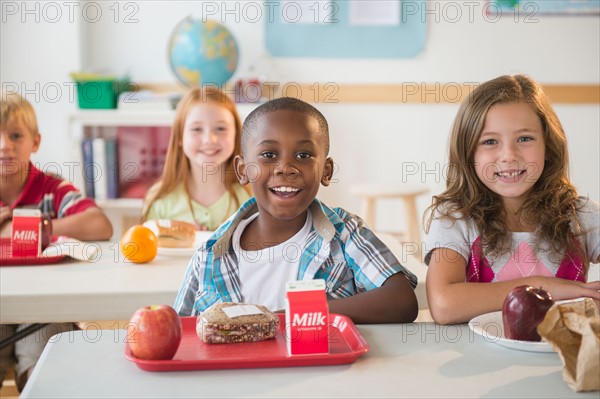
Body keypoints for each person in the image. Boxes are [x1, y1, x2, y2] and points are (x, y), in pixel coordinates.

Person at [175, 97, 418, 324]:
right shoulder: (209, 256)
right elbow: (181, 335)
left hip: (327, 371)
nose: (286, 168)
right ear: (242, 170)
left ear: (326, 171)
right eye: (269, 155)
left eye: (304, 155)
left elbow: (401, 301)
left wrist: (284, 318)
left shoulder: (345, 234)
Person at [423, 75, 600, 325]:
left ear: (548, 146)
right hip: (480, 360)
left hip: (560, 359)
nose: (508, 155)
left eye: (524, 138)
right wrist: (541, 287)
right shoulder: (456, 218)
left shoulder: (581, 215)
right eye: (490, 141)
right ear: (467, 151)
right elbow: (444, 305)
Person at [0, 91, 113, 391]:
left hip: (41, 307)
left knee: (43, 373)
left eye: (15, 136)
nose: (4, 146)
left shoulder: (52, 189)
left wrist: (31, 229)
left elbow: (99, 224)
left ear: (35, 142)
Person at [141, 87, 250, 231]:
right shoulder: (160, 198)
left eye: (221, 128)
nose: (209, 140)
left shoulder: (251, 196)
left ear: (236, 134)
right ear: (180, 136)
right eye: (197, 129)